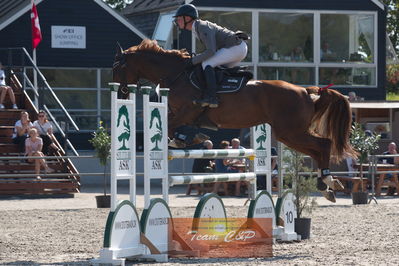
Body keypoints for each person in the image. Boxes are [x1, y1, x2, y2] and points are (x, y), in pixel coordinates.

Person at [173, 4, 248, 108]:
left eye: (179, 19)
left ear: (188, 18)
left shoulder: (202, 27)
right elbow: (211, 51)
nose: (177, 21)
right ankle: (221, 94)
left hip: (236, 48)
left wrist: (192, 61)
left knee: (206, 63)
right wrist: (194, 59)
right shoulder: (198, 27)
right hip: (236, 48)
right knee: (214, 67)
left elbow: (210, 52)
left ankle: (211, 97)